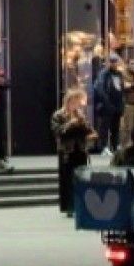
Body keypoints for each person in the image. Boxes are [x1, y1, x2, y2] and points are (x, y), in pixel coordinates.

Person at [51, 88, 95, 216]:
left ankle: (82, 206)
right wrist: (70, 124)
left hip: (80, 149)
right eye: (75, 102)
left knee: (82, 178)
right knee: (67, 179)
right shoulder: (59, 115)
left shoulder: (80, 114)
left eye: (78, 102)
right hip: (67, 151)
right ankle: (69, 207)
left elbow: (89, 129)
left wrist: (86, 128)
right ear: (69, 101)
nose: (77, 105)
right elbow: (57, 131)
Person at [93, 54, 125, 156]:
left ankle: (115, 146)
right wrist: (106, 102)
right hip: (107, 104)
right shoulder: (104, 74)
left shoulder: (119, 74)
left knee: (115, 127)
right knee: (105, 127)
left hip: (117, 104)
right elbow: (100, 88)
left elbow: (121, 89)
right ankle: (104, 147)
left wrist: (122, 103)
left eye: (115, 61)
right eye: (112, 61)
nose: (114, 63)